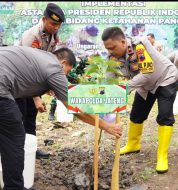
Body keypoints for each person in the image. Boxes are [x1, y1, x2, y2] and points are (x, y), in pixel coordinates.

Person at [0, 46, 122, 190]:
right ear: (63, 62)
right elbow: (74, 108)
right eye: (67, 71)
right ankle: (14, 187)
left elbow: (25, 77)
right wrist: (106, 126)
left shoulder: (42, 57)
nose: (65, 76)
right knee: (14, 136)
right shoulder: (54, 68)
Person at [102, 27, 178, 174]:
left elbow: (147, 74)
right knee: (137, 114)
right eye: (107, 49)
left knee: (164, 116)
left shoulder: (140, 46)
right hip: (145, 85)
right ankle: (133, 144)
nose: (110, 51)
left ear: (123, 42)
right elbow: (109, 78)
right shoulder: (112, 57)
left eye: (112, 48)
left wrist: (123, 89)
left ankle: (162, 155)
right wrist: (108, 94)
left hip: (165, 78)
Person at [16, 3, 65, 159]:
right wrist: (36, 97)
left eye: (58, 25)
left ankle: (31, 148)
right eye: (53, 23)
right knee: (19, 116)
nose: (56, 27)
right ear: (44, 19)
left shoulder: (52, 36)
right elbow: (28, 68)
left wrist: (48, 85)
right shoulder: (32, 36)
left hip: (32, 83)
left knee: (30, 115)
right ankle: (18, 150)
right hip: (18, 81)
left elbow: (45, 63)